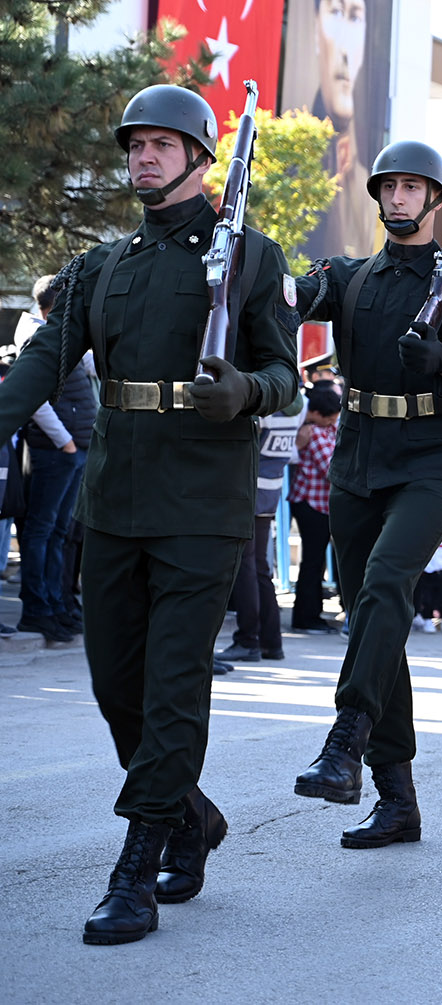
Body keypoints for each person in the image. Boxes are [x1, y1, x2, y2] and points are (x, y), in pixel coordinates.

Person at [0, 84, 298, 944]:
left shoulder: (250, 257)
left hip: (203, 503)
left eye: (164, 144)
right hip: (117, 498)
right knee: (112, 686)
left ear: (203, 158)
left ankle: (137, 860)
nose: (144, 156)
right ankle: (190, 811)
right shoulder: (104, 264)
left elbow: (284, 375)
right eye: (136, 144)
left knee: (172, 685)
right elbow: (43, 365)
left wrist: (243, 388)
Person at [290, 140, 442, 851]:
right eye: (390, 187)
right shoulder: (349, 278)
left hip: (435, 457)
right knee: (372, 618)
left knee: (385, 584)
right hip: (357, 456)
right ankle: (396, 799)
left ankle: (346, 736)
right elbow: (295, 295)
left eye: (414, 188)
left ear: (438, 200)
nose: (399, 199)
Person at [15, 273, 97, 644]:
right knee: (42, 531)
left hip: (73, 449)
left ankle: (55, 603)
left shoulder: (65, 335)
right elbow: (34, 397)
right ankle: (38, 608)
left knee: (59, 532)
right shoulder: (38, 336)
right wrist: (65, 442)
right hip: (55, 451)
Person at [217, 393, 307, 664]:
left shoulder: (265, 408)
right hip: (271, 489)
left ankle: (248, 640)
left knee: (246, 568)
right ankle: (270, 642)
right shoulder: (295, 406)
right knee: (259, 569)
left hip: (248, 489)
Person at [302, 0, 374, 259]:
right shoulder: (285, 166)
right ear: (315, 29)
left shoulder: (370, 193)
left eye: (355, 18)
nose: (344, 50)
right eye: (335, 12)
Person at [288, 385, 341, 632]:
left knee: (316, 562)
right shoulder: (315, 433)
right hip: (312, 504)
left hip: (317, 504)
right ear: (317, 413)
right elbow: (331, 470)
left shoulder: (324, 428)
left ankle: (312, 614)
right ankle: (306, 617)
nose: (334, 421)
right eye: (330, 417)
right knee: (312, 562)